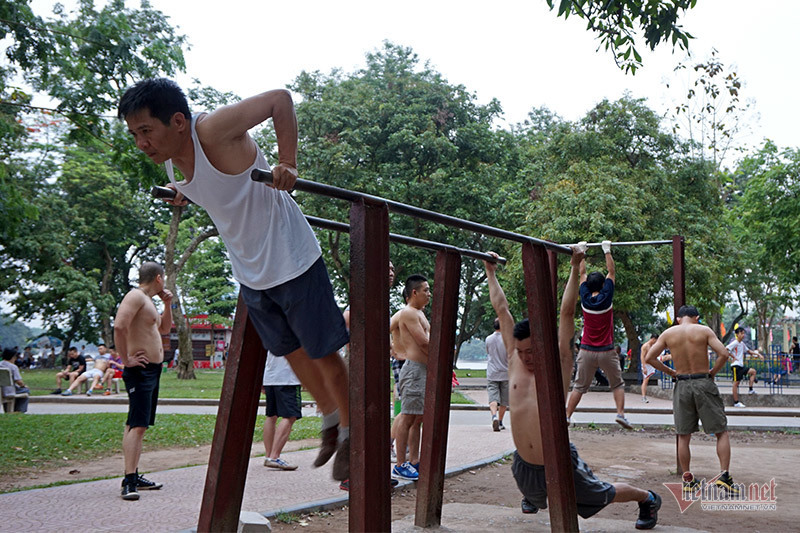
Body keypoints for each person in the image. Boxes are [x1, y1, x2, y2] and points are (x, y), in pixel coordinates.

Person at [118, 78, 351, 482]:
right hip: (251, 273)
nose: (140, 143)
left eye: (146, 131)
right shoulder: (174, 161)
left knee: (323, 353)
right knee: (293, 355)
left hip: (292, 256)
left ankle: (351, 432)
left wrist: (289, 162)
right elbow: (221, 188)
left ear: (176, 121)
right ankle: (330, 419)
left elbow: (280, 99)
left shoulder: (211, 130)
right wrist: (184, 191)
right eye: (134, 134)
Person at [483, 247, 661, 529]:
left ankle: (647, 498)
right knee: (536, 498)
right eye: (521, 351)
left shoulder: (558, 364)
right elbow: (502, 310)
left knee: (602, 494)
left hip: (559, 459)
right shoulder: (514, 360)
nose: (527, 357)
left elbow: (566, 313)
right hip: (524, 464)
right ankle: (534, 495)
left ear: (543, 345)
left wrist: (575, 264)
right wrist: (490, 271)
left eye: (532, 350)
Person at [645, 305, 739, 496]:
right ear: (696, 317)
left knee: (683, 435)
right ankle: (724, 476)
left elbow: (649, 357)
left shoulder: (668, 334)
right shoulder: (704, 330)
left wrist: (671, 372)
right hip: (703, 381)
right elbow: (723, 354)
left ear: (679, 319)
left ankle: (687, 478)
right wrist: (712, 372)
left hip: (682, 384)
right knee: (721, 431)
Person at [114, 261, 173, 500]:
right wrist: (125, 359)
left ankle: (134, 473)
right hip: (140, 369)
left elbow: (165, 329)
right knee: (137, 425)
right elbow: (119, 326)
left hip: (153, 369)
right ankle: (129, 481)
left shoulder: (149, 302)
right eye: (164, 278)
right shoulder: (135, 296)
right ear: (159, 278)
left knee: (137, 424)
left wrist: (167, 304)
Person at [565, 240, 632, 429]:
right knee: (617, 385)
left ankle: (567, 416)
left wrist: (582, 252)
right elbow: (612, 272)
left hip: (586, 350)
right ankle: (620, 414)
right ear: (603, 285)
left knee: (579, 387)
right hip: (607, 351)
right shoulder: (607, 297)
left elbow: (582, 273)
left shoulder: (585, 298)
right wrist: (607, 250)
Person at [390, 274, 431, 481]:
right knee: (407, 416)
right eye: (426, 290)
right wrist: (394, 351)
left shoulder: (420, 313)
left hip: (423, 370)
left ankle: (415, 460)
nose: (429, 294)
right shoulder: (407, 313)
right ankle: (400, 464)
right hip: (413, 370)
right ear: (414, 292)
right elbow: (423, 342)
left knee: (418, 419)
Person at [262, 351, 302, 471]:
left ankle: (269, 456)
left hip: (270, 376)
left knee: (271, 416)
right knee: (290, 416)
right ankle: (274, 457)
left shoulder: (271, 331)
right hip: (288, 378)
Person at [726, 327, 765, 407]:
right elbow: (725, 349)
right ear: (737, 334)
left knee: (753, 371)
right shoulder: (735, 343)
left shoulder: (742, 344)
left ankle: (750, 389)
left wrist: (758, 355)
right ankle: (736, 402)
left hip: (741, 365)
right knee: (736, 383)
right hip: (735, 366)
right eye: (741, 333)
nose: (743, 335)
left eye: (744, 333)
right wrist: (732, 358)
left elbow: (749, 351)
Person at [485, 317, 509, 431]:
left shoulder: (488, 339)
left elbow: (488, 352)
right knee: (504, 400)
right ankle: (500, 421)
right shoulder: (508, 339)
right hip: (506, 373)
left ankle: (493, 415)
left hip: (492, 372)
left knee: (493, 397)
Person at [1, 348, 30, 413]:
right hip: (9, 391)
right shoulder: (13, 367)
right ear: (13, 357)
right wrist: (24, 386)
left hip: (1, 390)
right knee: (26, 391)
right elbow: (19, 381)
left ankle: (8, 410)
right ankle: (19, 411)